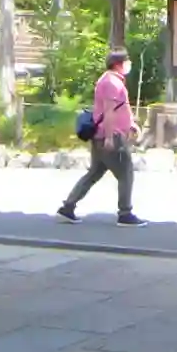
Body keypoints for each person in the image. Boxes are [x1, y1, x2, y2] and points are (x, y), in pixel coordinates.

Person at [57, 50, 144, 226]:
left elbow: (119, 108)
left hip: (101, 134)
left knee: (94, 173)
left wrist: (130, 124)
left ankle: (68, 207)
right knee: (126, 173)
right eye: (126, 61)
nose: (129, 65)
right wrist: (110, 137)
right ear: (118, 64)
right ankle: (125, 213)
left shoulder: (109, 80)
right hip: (111, 135)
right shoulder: (112, 83)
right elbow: (109, 111)